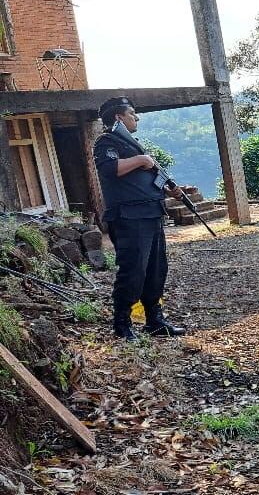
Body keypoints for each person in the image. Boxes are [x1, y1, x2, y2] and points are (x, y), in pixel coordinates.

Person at [94, 96, 187, 341]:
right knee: (133, 271)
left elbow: (145, 179)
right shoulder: (106, 142)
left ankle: (154, 320)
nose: (137, 117)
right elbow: (110, 170)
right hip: (129, 218)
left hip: (152, 214)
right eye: (132, 113)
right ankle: (122, 324)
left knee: (156, 270)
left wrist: (168, 191)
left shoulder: (133, 144)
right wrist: (142, 160)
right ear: (118, 117)